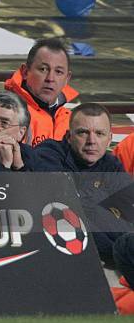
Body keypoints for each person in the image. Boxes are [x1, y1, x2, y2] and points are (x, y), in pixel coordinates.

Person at [35, 103, 134, 265]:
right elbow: (61, 204)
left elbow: (128, 217)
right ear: (68, 136)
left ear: (109, 139)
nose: (92, 141)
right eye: (83, 132)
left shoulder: (111, 165)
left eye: (100, 134)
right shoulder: (49, 154)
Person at [5, 38, 78, 147]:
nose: (50, 78)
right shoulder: (7, 115)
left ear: (67, 79)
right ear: (25, 72)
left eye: (58, 72)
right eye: (43, 69)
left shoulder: (72, 121)